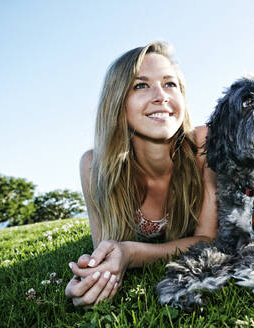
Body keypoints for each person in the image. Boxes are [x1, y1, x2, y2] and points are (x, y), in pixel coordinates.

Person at [64, 41, 218, 307]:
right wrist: (94, 274)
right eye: (141, 85)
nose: (161, 96)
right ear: (118, 103)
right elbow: (106, 246)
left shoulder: (204, 144)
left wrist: (131, 253)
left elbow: (208, 241)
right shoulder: (94, 166)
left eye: (170, 84)